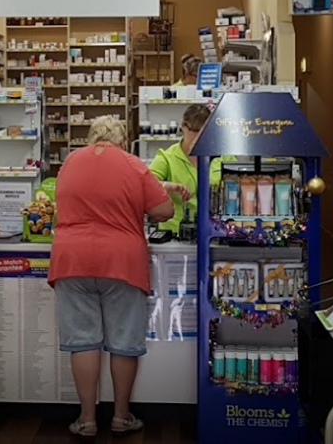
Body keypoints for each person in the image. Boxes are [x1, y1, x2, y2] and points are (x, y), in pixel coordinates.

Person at [48, 116, 189, 437]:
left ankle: (86, 419)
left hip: (72, 259)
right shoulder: (133, 164)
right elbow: (164, 211)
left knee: (83, 342)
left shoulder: (70, 163)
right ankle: (121, 417)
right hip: (121, 262)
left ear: (91, 137)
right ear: (123, 141)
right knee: (124, 342)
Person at [148, 103, 222, 235]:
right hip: (175, 234)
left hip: (215, 233)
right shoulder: (167, 157)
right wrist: (168, 186)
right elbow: (145, 184)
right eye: (194, 130)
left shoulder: (222, 156)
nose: (199, 137)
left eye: (204, 132)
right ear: (183, 126)